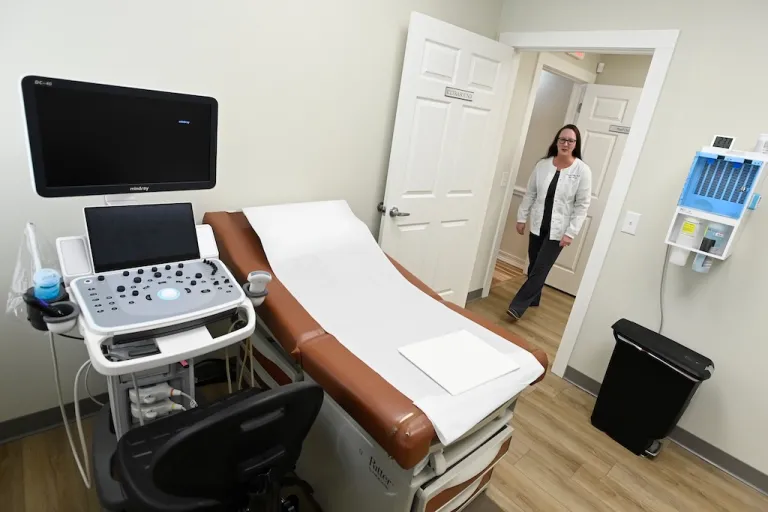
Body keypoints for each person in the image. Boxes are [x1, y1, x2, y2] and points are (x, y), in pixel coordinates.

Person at [507, 124, 592, 320]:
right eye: (562, 139)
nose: (565, 143)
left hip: (559, 229)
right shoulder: (543, 165)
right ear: (556, 141)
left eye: (570, 140)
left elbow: (582, 205)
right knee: (534, 264)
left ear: (576, 144)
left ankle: (517, 307)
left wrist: (571, 232)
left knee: (540, 268)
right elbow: (530, 193)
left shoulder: (582, 170)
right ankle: (534, 299)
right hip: (538, 224)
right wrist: (521, 218)